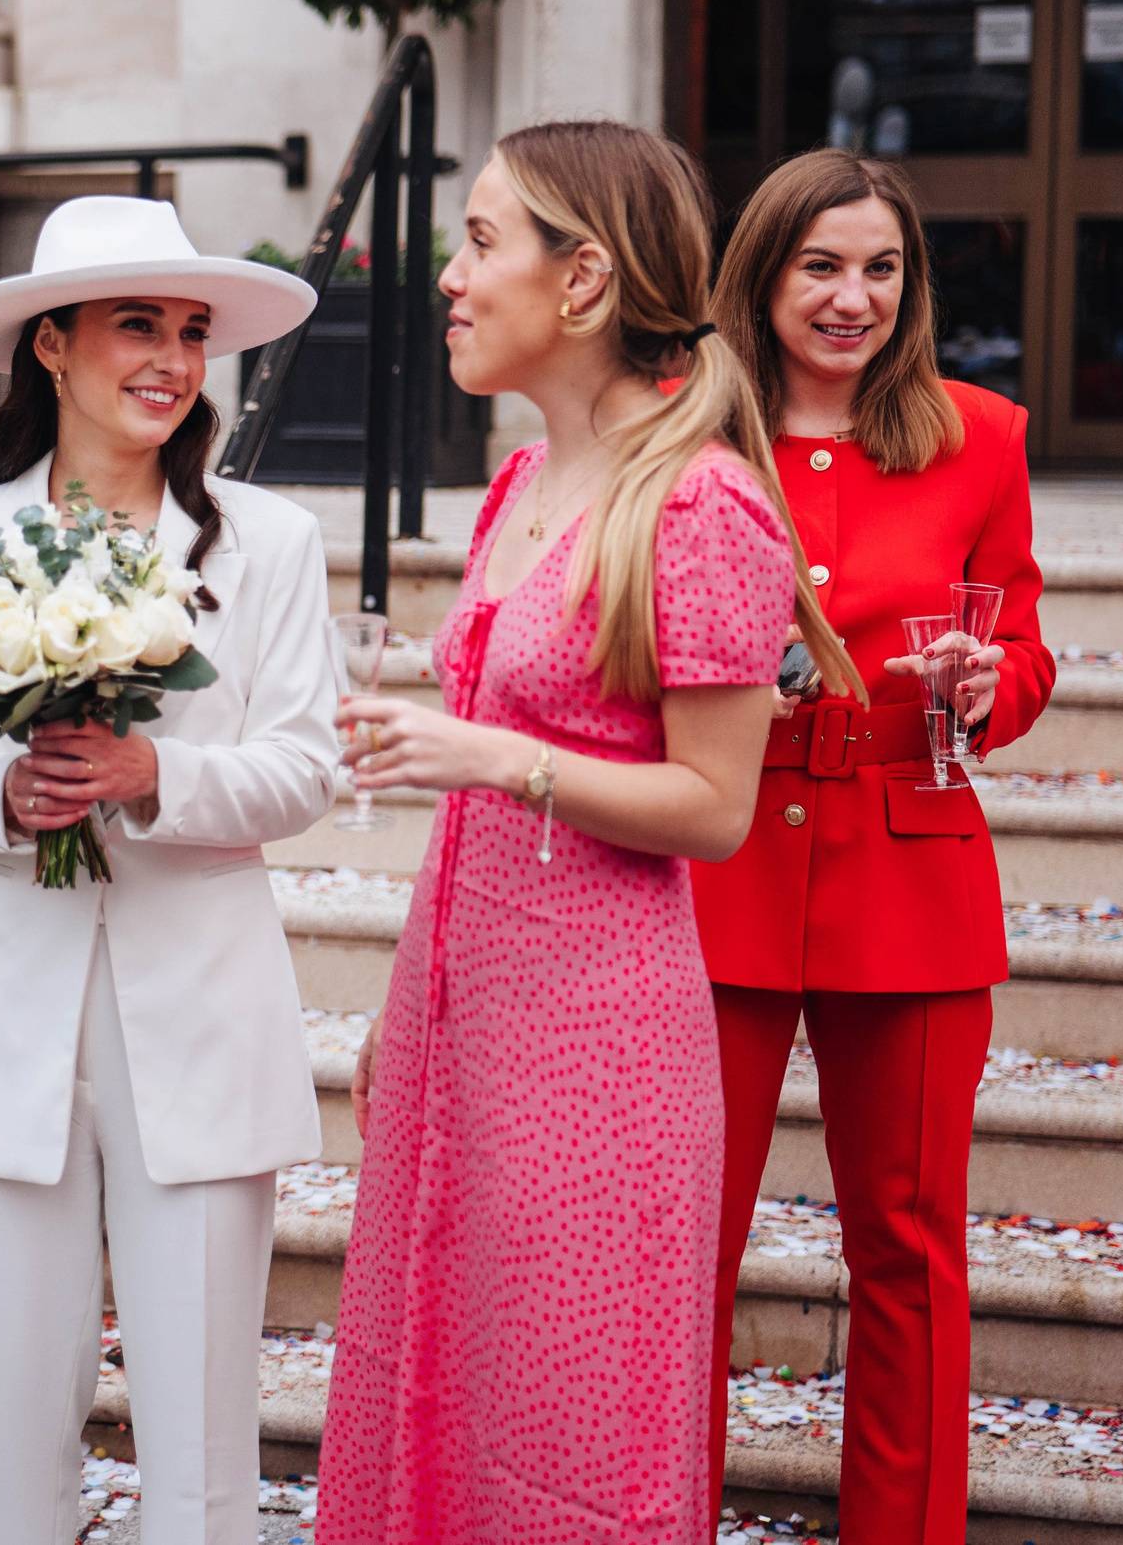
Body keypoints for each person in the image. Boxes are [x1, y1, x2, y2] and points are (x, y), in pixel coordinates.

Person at [314, 120, 859, 1540]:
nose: (449, 273)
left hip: (597, 1041)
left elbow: (718, 807)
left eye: (482, 239)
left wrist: (499, 754)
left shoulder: (705, 502)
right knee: (434, 1372)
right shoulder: (513, 483)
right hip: (461, 1011)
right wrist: (398, 1004)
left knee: (565, 1413)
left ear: (585, 282)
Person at [0, 196, 333, 1544]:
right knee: (15, 1432)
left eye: (192, 330)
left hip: (200, 1017)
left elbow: (306, 765)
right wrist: (5, 794)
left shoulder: (268, 541)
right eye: (136, 324)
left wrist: (157, 780)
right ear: (52, 346)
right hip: (14, 1010)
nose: (171, 358)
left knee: (201, 1438)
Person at [692, 149, 1052, 1543]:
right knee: (686, 1251)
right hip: (721, 859)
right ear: (763, 273)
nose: (853, 297)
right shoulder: (686, 429)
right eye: (821, 266)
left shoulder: (985, 432)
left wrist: (987, 682)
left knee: (907, 1245)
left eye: (881, 268)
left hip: (910, 864)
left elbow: (1022, 650)